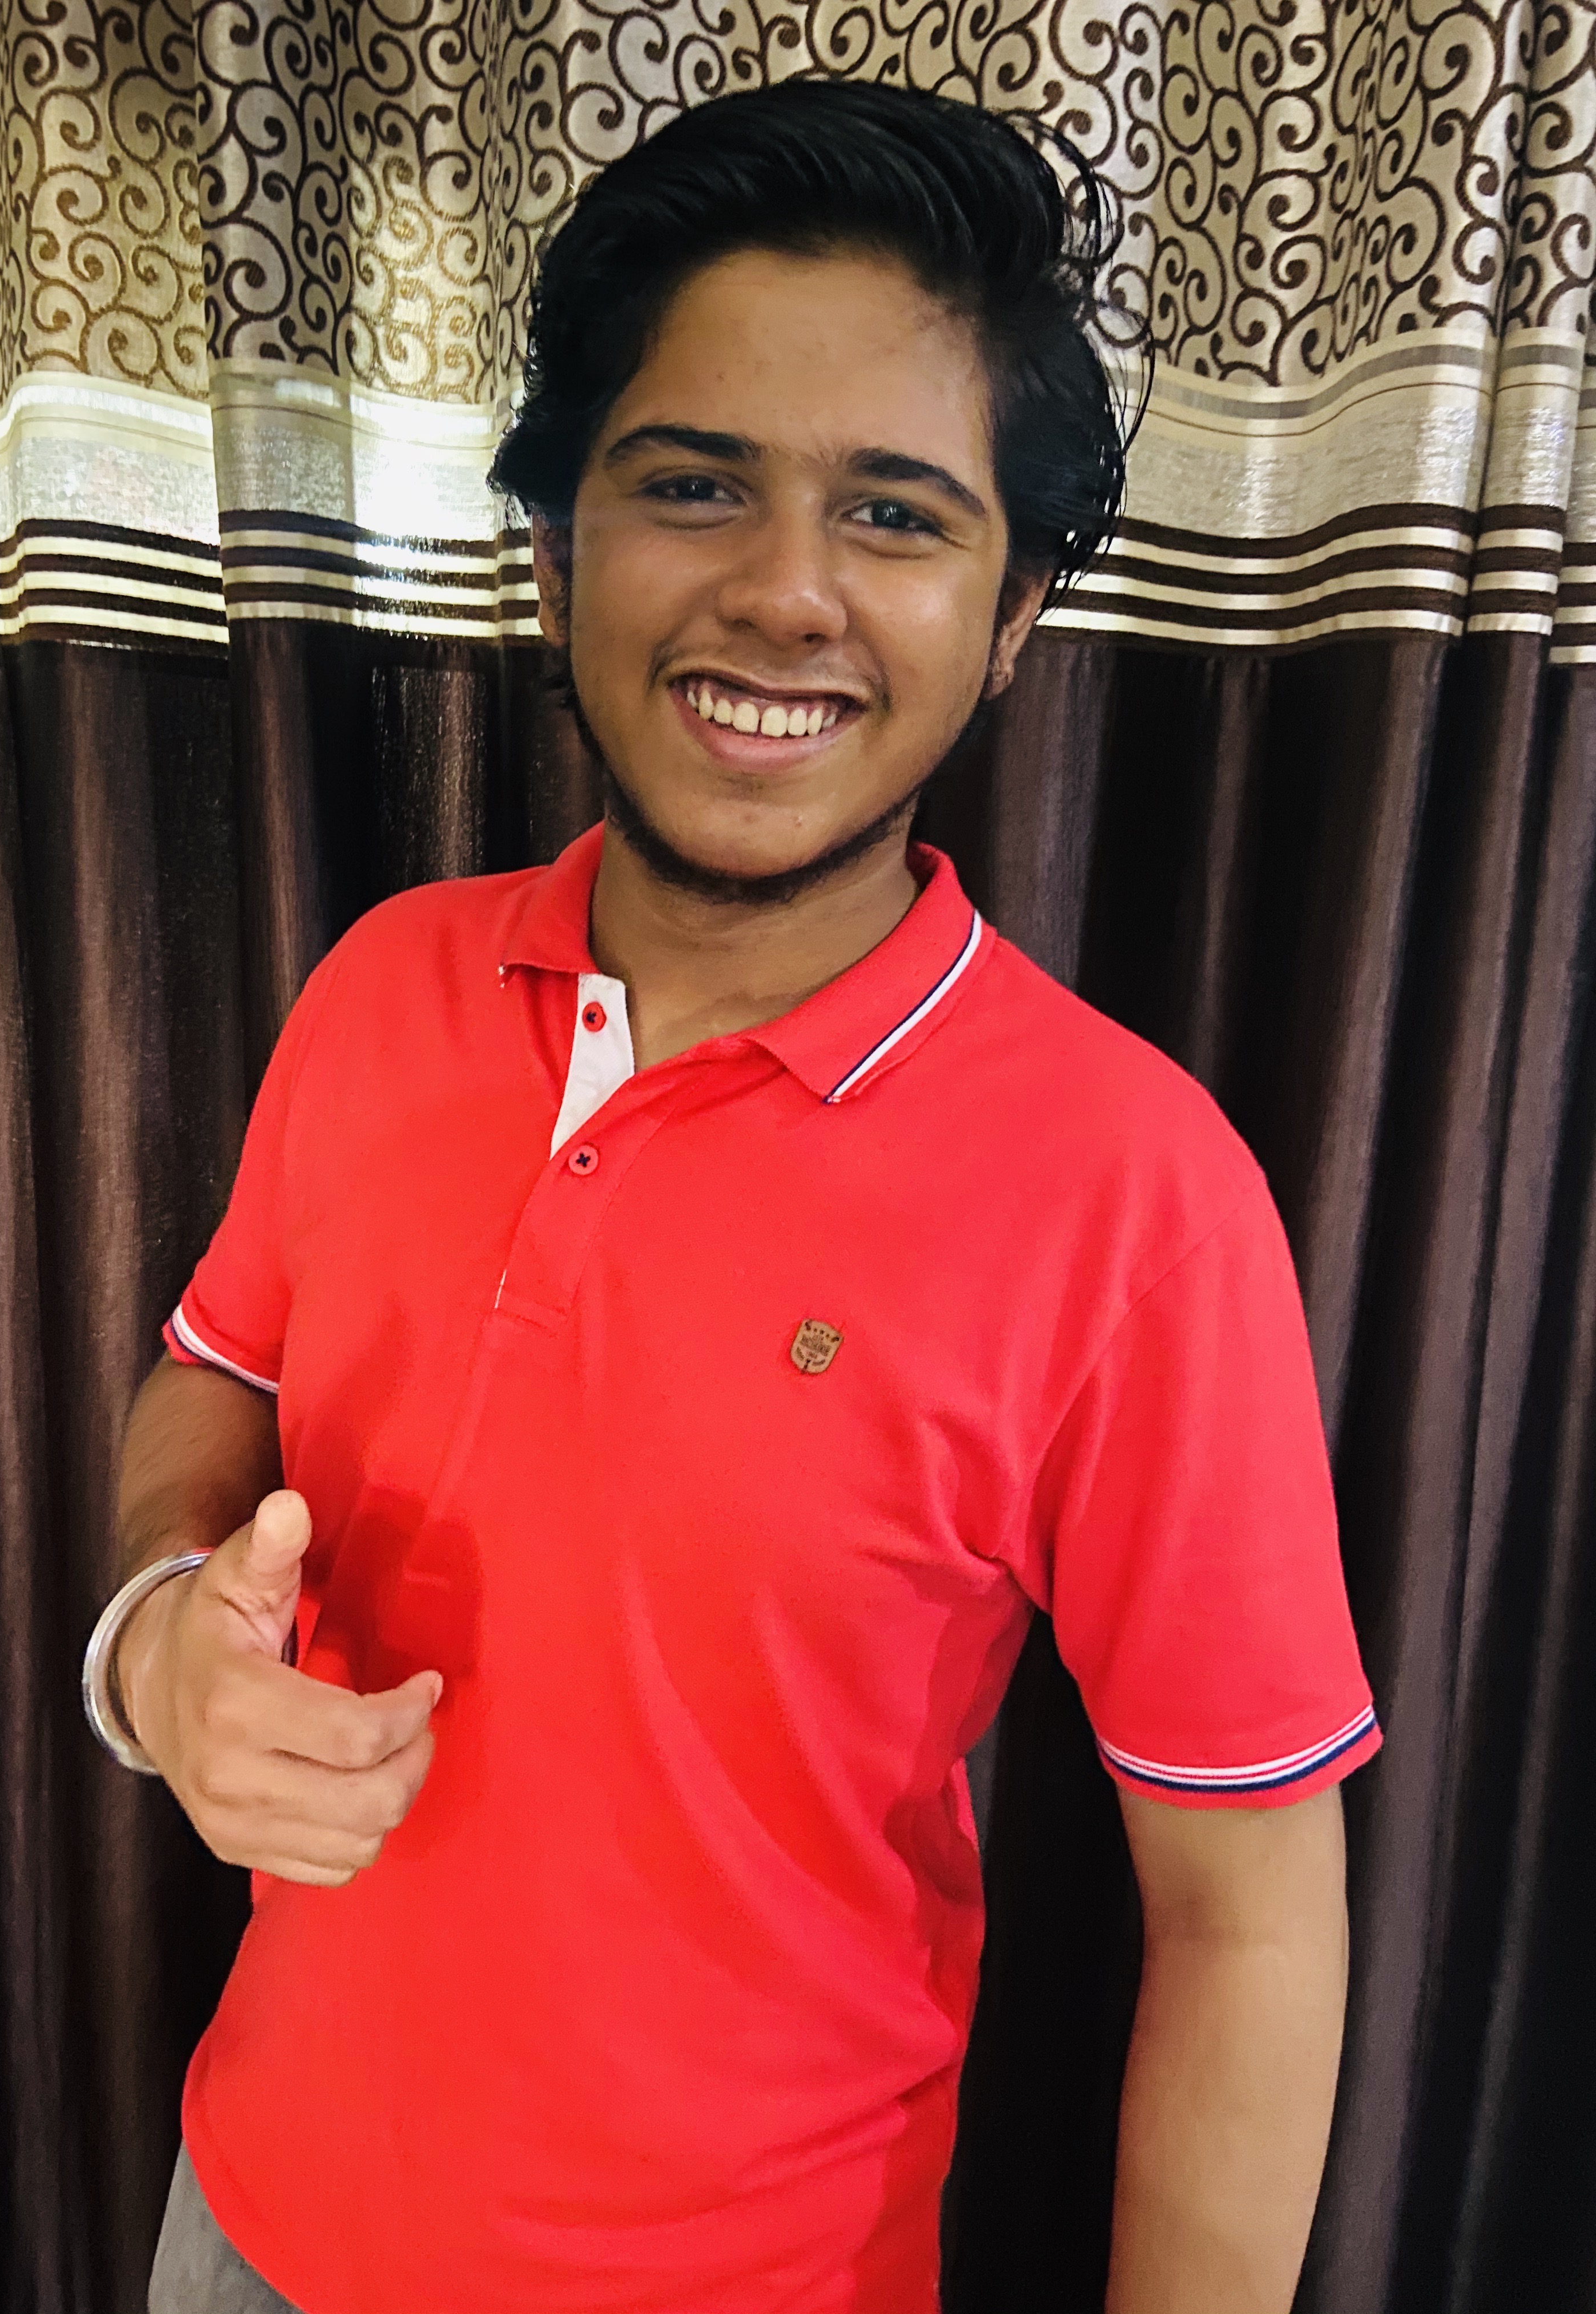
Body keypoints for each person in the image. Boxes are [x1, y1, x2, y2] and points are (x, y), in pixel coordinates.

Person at [95, 79, 1380, 2314]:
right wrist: (155, 1646)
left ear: (1014, 615)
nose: (785, 590)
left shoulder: (1141, 1201)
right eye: (693, 485)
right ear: (554, 551)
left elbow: (1250, 1923)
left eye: (895, 516)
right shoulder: (382, 986)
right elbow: (211, 1386)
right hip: (240, 2224)